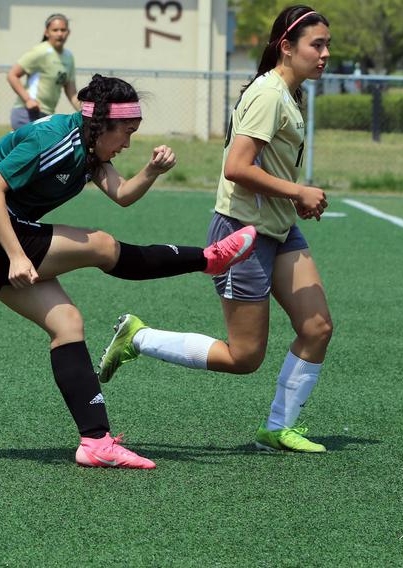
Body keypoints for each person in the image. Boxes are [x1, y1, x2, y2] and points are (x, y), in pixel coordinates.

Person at [0, 74, 257, 469]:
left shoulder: (90, 149)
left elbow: (123, 195)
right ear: (100, 124)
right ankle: (209, 260)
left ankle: (95, 441)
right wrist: (17, 256)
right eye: (125, 132)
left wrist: (152, 170)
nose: (127, 143)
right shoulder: (56, 140)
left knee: (68, 324)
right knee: (102, 246)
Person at [96, 5, 333, 454]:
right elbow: (236, 167)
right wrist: (298, 192)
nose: (324, 54)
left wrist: (291, 200)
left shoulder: (289, 92)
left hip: (277, 229)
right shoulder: (268, 94)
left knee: (317, 326)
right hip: (242, 233)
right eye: (315, 45)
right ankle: (138, 337)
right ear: (286, 46)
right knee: (244, 357)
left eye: (327, 46)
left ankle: (277, 428)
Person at [7, 13, 81, 130]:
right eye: (55, 30)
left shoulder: (68, 57)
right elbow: (12, 75)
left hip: (47, 115)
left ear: (68, 32)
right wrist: (28, 100)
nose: (59, 34)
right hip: (27, 113)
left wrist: (85, 111)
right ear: (46, 32)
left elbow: (71, 92)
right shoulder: (40, 51)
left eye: (63, 30)